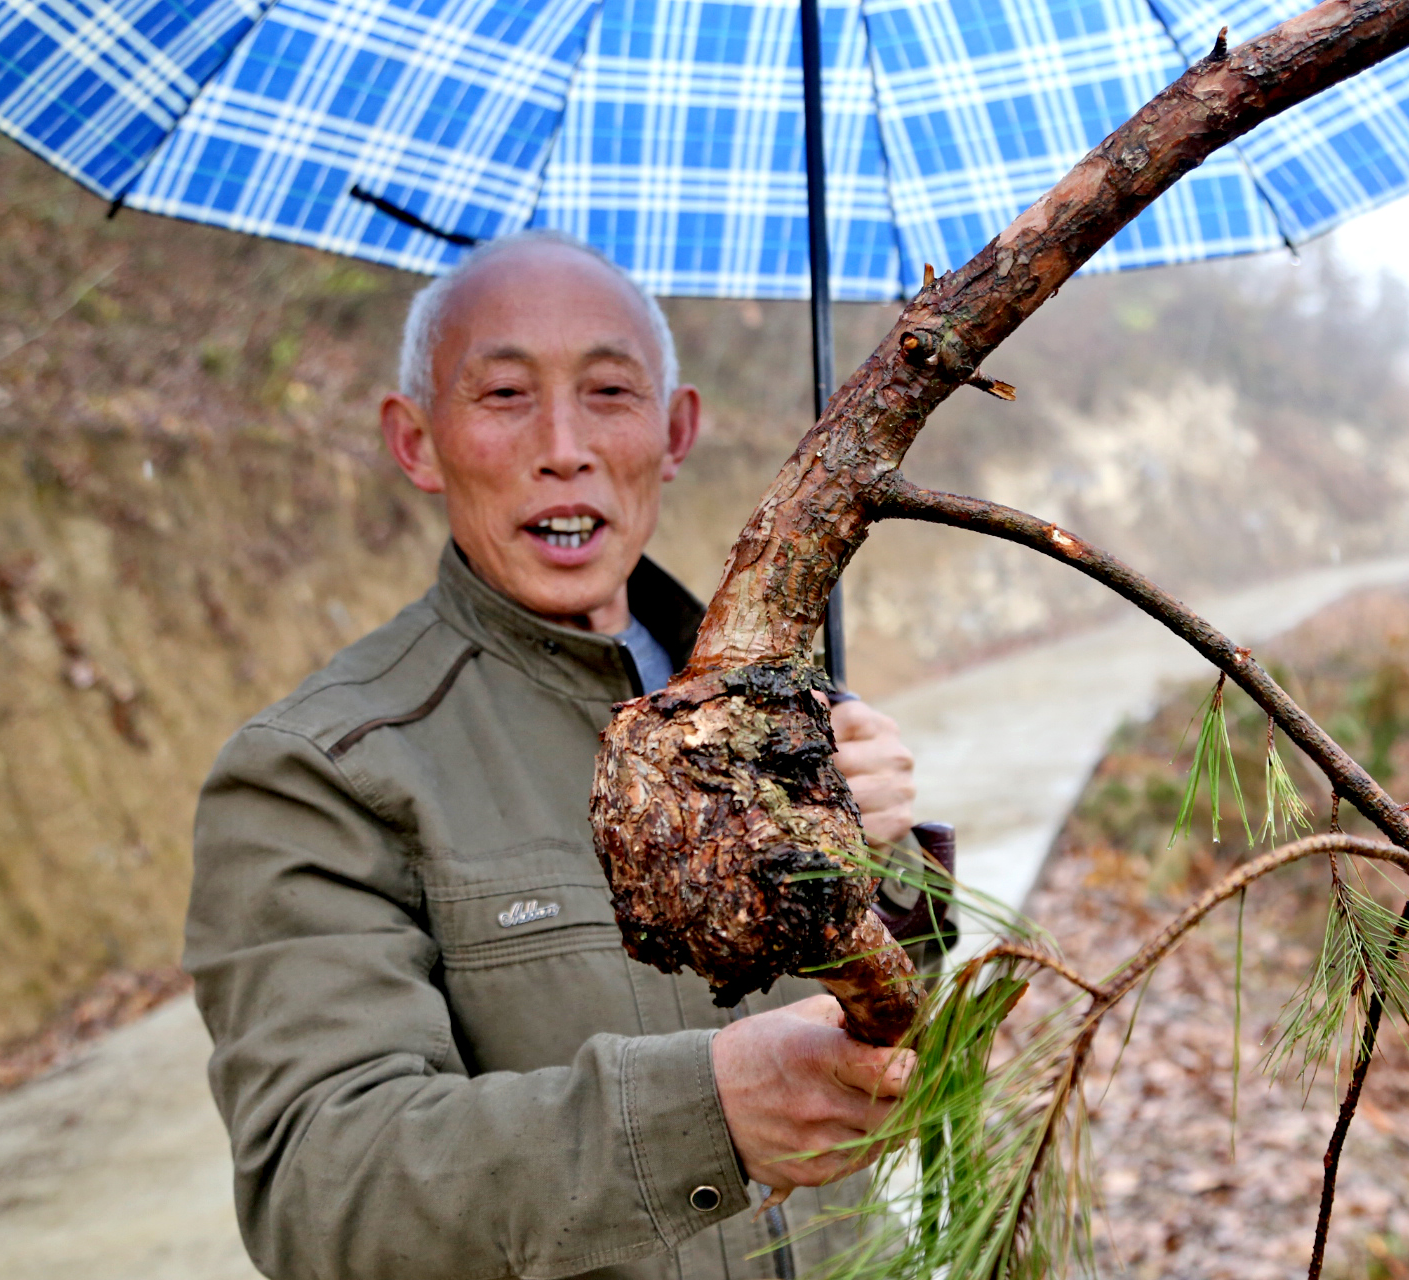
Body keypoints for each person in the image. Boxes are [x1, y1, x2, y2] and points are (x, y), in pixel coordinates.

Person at [186, 230, 925, 1280]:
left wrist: (888, 865)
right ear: (416, 440)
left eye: (610, 391)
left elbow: (904, 1044)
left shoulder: (777, 712)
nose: (564, 445)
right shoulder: (322, 771)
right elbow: (322, 1183)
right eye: (502, 396)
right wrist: (703, 1115)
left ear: (675, 430)